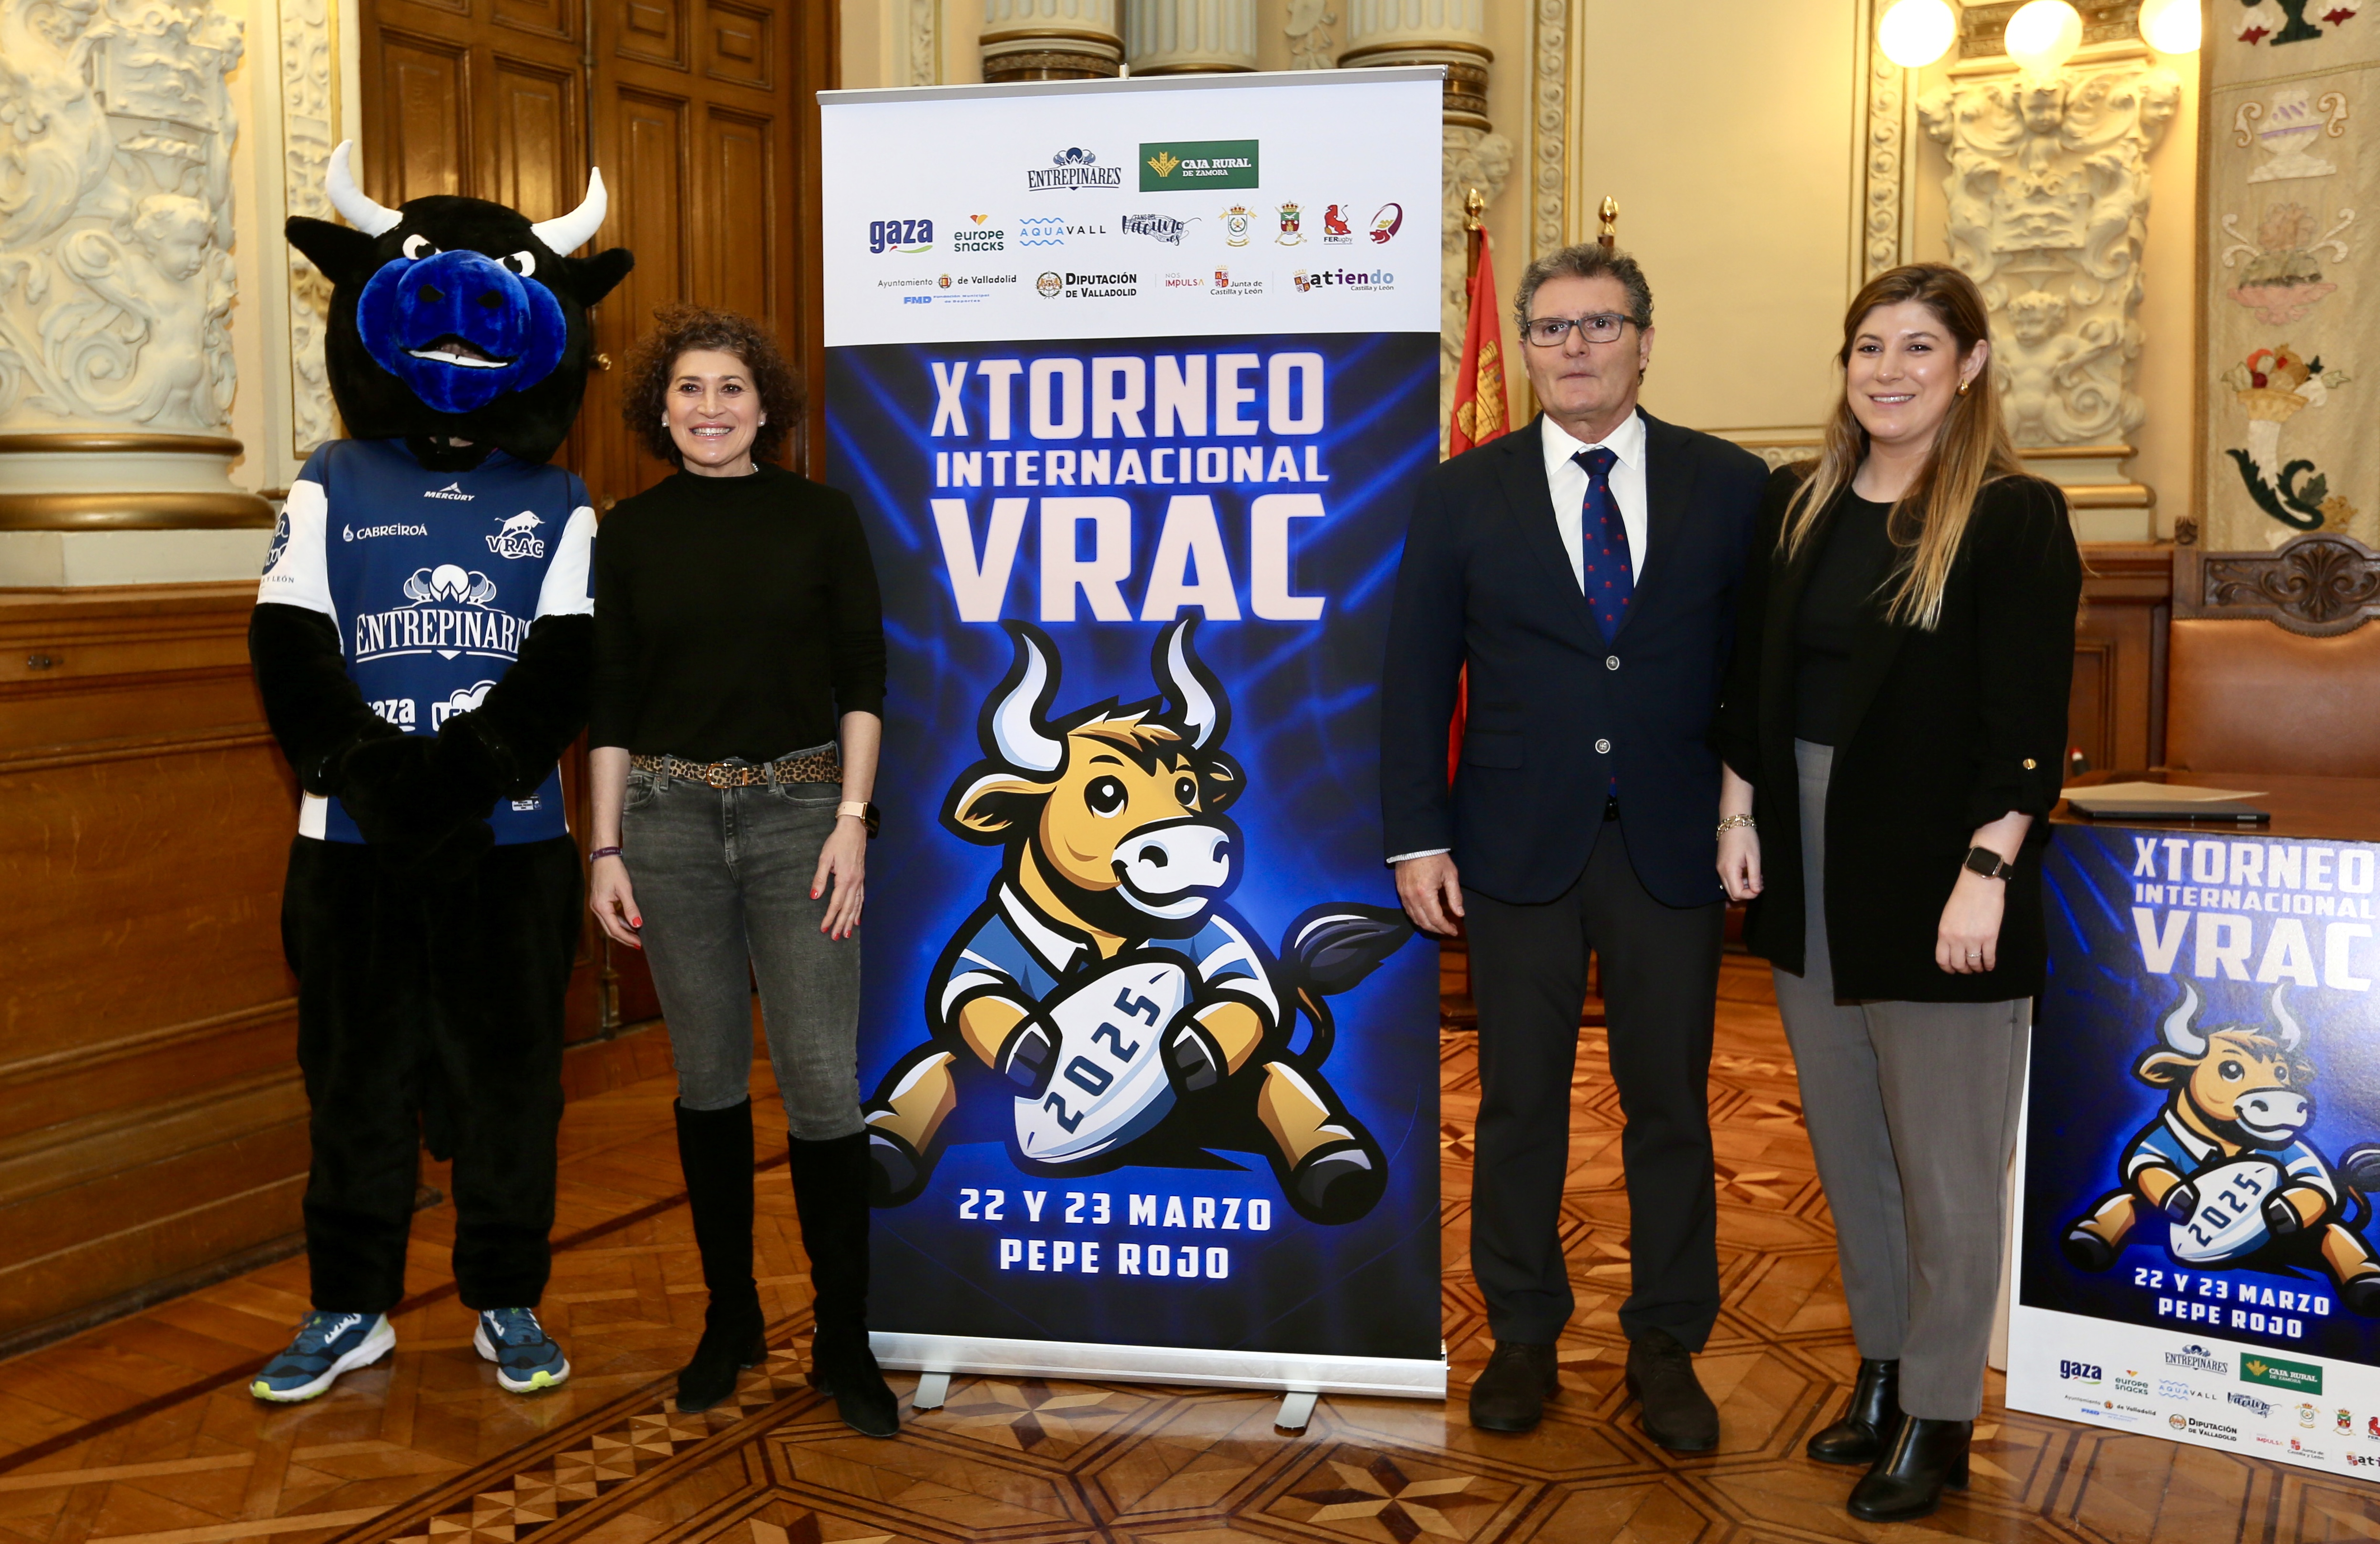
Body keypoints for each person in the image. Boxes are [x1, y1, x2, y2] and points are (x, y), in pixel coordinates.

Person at [247, 149, 630, 1404]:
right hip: (350, 852)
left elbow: (566, 664)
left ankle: (507, 1299)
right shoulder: (330, 481)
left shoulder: (560, 497)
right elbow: (288, 645)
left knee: (510, 1091)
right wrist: (374, 778)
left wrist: (460, 777)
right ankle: (348, 1306)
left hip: (506, 853)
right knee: (353, 1087)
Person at [1381, 244, 1767, 1442]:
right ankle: (1524, 1339)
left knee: (1670, 1109)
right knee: (1517, 1108)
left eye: (1600, 325)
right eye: (1550, 329)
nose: (1574, 348)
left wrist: (1741, 812)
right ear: (1526, 349)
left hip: (1673, 846)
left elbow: (1753, 675)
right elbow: (1413, 678)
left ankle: (1665, 1347)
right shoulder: (1459, 492)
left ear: (1646, 341)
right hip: (1512, 849)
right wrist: (1414, 838)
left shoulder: (1732, 484)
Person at [1714, 262, 2079, 1523]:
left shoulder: (2014, 515)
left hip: (1942, 868)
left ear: (1970, 366)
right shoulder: (1798, 502)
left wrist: (1990, 871)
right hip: (1809, 856)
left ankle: (1937, 1411)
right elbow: (1753, 681)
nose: (1888, 369)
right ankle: (1878, 1367)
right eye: (1869, 345)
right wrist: (1741, 810)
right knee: (1851, 1142)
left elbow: (2030, 720)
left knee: (1948, 1160)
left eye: (1919, 347)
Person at [585, 304, 898, 1438]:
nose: (709, 408)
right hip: (666, 825)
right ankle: (729, 1321)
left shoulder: (822, 519)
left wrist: (854, 818)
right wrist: (605, 844)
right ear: (657, 412)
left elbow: (864, 676)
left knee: (821, 1085)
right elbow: (609, 702)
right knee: (707, 1081)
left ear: (766, 407)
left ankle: (845, 1338)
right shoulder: (625, 536)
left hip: (801, 818)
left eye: (729, 388)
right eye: (687, 390)